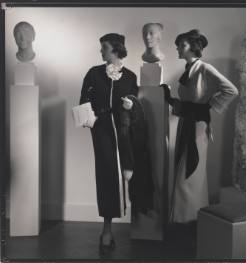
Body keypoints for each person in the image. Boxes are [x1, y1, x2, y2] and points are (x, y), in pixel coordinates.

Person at [161, 29, 238, 223]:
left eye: (182, 45)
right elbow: (186, 102)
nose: (178, 48)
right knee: (185, 170)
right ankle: (186, 217)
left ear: (193, 48)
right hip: (186, 122)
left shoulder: (204, 68)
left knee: (190, 172)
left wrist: (208, 106)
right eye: (178, 45)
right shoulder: (188, 69)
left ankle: (188, 219)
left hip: (197, 126)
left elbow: (231, 90)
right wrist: (168, 98)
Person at [80, 33, 138, 254]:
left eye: (103, 47)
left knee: (130, 174)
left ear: (115, 49)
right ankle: (107, 229)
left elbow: (136, 103)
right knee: (106, 175)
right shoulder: (94, 73)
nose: (100, 51)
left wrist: (131, 106)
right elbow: (83, 101)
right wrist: (94, 120)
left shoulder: (131, 77)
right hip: (102, 131)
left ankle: (142, 225)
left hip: (125, 133)